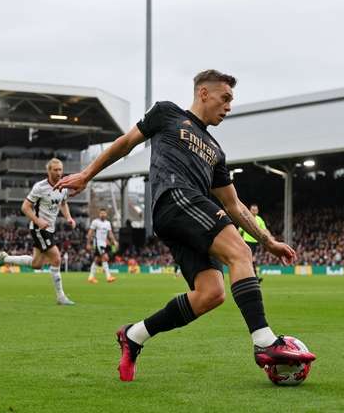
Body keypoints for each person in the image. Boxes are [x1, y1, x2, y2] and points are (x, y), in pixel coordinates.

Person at [56, 70, 315, 382]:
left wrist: (268, 240)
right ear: (204, 93)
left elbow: (233, 205)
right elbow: (125, 143)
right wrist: (86, 174)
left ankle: (134, 335)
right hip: (174, 197)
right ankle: (264, 342)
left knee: (211, 294)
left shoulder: (217, 152)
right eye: (226, 98)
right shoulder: (167, 113)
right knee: (240, 253)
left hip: (185, 216)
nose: (229, 106)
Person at [0, 158, 76, 305]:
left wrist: (69, 217)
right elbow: (25, 207)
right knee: (56, 258)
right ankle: (61, 297)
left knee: (37, 264)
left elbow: (63, 203)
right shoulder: (40, 187)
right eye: (55, 170)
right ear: (48, 171)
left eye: (60, 170)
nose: (58, 173)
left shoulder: (63, 186)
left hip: (50, 229)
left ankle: (5, 259)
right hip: (39, 229)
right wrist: (38, 221)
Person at [87, 208, 118, 284]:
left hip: (103, 244)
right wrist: (88, 243)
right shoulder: (95, 222)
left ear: (106, 214)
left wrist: (114, 241)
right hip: (98, 243)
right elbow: (90, 233)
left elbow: (110, 234)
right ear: (99, 214)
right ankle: (108, 276)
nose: (103, 214)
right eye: (101, 213)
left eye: (104, 213)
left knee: (97, 259)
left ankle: (91, 277)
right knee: (105, 258)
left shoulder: (108, 223)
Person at [239, 203, 267, 281]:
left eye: (256, 210)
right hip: (247, 241)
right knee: (251, 259)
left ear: (257, 211)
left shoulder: (259, 219)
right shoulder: (246, 218)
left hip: (255, 242)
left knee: (250, 259)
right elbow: (240, 230)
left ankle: (251, 276)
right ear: (250, 210)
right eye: (253, 210)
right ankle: (254, 276)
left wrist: (269, 237)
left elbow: (264, 230)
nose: (254, 211)